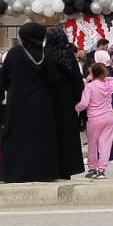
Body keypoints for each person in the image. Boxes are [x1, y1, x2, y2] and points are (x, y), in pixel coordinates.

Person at [0, 24, 64, 182]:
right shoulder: (46, 54)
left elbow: (3, 79)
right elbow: (54, 79)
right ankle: (43, 172)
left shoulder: (14, 54)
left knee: (16, 137)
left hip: (17, 102)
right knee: (41, 137)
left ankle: (14, 173)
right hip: (41, 102)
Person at [44, 26, 87, 181]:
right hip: (67, 100)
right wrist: (78, 99)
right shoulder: (68, 54)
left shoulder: (45, 55)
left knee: (51, 135)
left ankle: (51, 168)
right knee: (67, 135)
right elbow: (76, 79)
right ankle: (67, 169)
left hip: (49, 100)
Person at [75, 62, 113, 180]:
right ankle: (101, 170)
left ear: (92, 73)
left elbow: (84, 103)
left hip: (94, 119)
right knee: (105, 144)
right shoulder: (108, 85)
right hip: (108, 117)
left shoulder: (89, 86)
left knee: (92, 144)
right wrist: (105, 77)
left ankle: (92, 168)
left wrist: (76, 108)